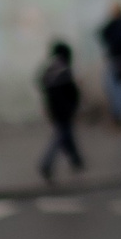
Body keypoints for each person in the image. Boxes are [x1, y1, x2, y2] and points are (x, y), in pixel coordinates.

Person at [36, 43, 84, 182]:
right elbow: (73, 92)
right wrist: (75, 107)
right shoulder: (64, 70)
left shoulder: (50, 69)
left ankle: (76, 161)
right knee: (60, 137)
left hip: (54, 110)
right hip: (64, 111)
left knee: (66, 136)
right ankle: (46, 164)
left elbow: (40, 81)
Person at [97, 0, 121, 129]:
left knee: (113, 86)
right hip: (119, 59)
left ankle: (120, 113)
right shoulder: (119, 24)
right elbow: (103, 33)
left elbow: (116, 41)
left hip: (119, 60)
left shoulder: (120, 24)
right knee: (116, 85)